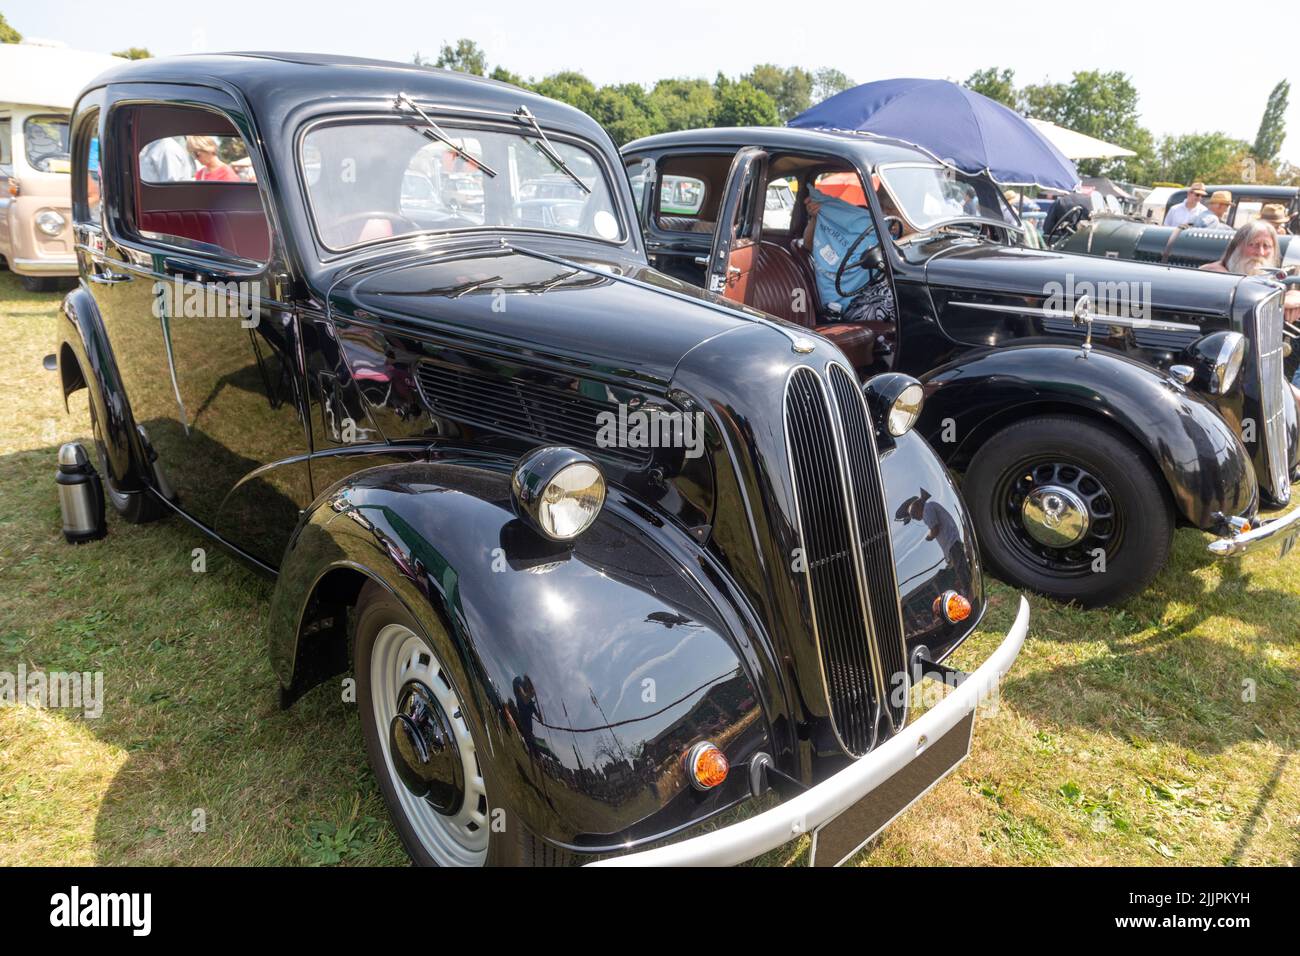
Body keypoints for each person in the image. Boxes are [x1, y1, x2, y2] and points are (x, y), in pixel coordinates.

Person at [1201, 220, 1300, 325]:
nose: (1260, 253)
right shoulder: (1212, 273)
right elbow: (1244, 298)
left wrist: (1295, 296)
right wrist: (1281, 302)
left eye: (1266, 246)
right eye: (1254, 245)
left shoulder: (1274, 275)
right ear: (1237, 246)